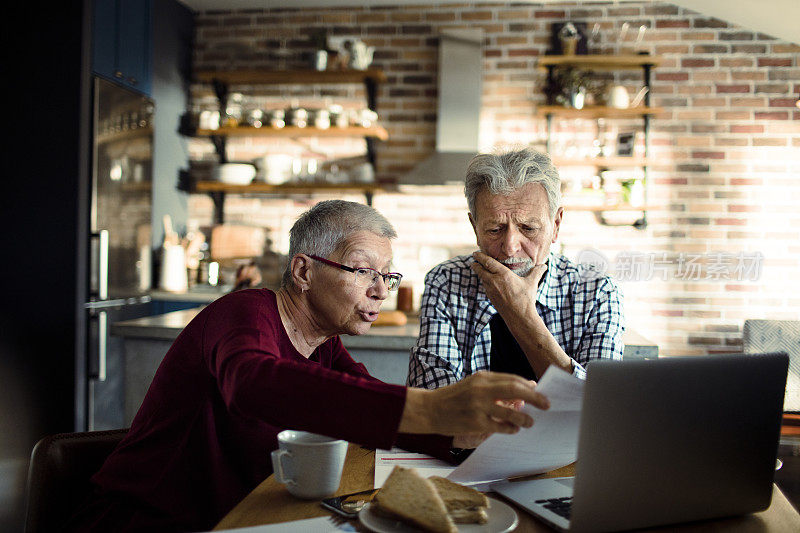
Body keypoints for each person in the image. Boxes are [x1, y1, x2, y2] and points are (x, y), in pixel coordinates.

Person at [66, 200, 549, 532]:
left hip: (237, 517)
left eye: (388, 274)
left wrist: (470, 433)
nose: (381, 290)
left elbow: (368, 408)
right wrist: (430, 408)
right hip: (146, 521)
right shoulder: (244, 312)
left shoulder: (321, 343)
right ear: (303, 270)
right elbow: (253, 383)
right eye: (364, 271)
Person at [407, 148, 625, 390]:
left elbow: (598, 404)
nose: (510, 247)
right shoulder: (446, 281)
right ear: (474, 227)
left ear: (556, 225)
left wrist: (520, 313)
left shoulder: (598, 292)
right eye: (494, 229)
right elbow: (433, 400)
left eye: (529, 228)